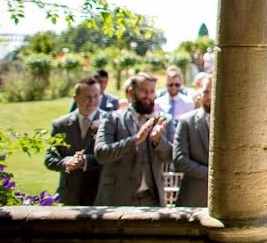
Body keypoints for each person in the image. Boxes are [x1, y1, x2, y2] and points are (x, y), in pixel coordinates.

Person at [94, 73, 175, 206]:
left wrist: (158, 141)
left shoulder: (163, 121)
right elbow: (101, 154)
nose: (148, 96)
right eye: (144, 91)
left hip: (152, 199)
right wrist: (135, 140)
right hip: (118, 198)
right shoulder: (112, 119)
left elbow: (171, 156)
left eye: (152, 91)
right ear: (130, 92)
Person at [45, 76, 106, 205]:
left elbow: (112, 156)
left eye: (96, 96)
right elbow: (50, 158)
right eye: (87, 97)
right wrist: (66, 162)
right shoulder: (60, 125)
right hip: (69, 194)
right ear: (75, 98)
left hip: (99, 193)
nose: (92, 101)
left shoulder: (109, 121)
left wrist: (85, 161)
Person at [173, 74, 212, 207]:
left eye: (214, 92)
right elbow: (179, 159)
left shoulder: (233, 123)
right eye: (206, 91)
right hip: (194, 198)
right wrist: (210, 174)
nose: (210, 96)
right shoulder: (186, 121)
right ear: (200, 92)